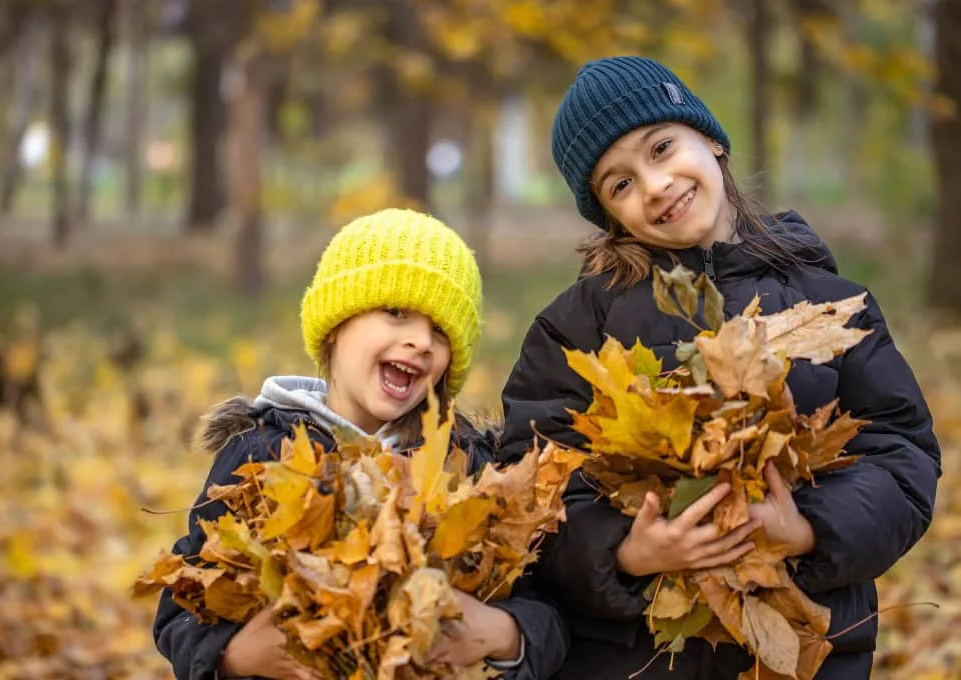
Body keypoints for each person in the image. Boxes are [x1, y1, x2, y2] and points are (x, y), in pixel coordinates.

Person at [495, 56, 940, 679]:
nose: (654, 186)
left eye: (662, 148)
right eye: (619, 185)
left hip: (802, 652)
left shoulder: (829, 305)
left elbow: (901, 453)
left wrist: (808, 529)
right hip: (640, 659)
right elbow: (530, 485)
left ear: (711, 140)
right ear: (608, 215)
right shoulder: (574, 331)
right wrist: (625, 552)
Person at [152, 208, 568, 680]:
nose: (420, 342)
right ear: (337, 324)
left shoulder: (465, 467)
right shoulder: (262, 453)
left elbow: (549, 611)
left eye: (439, 332)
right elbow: (183, 603)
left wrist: (504, 632)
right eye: (396, 313)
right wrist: (233, 655)